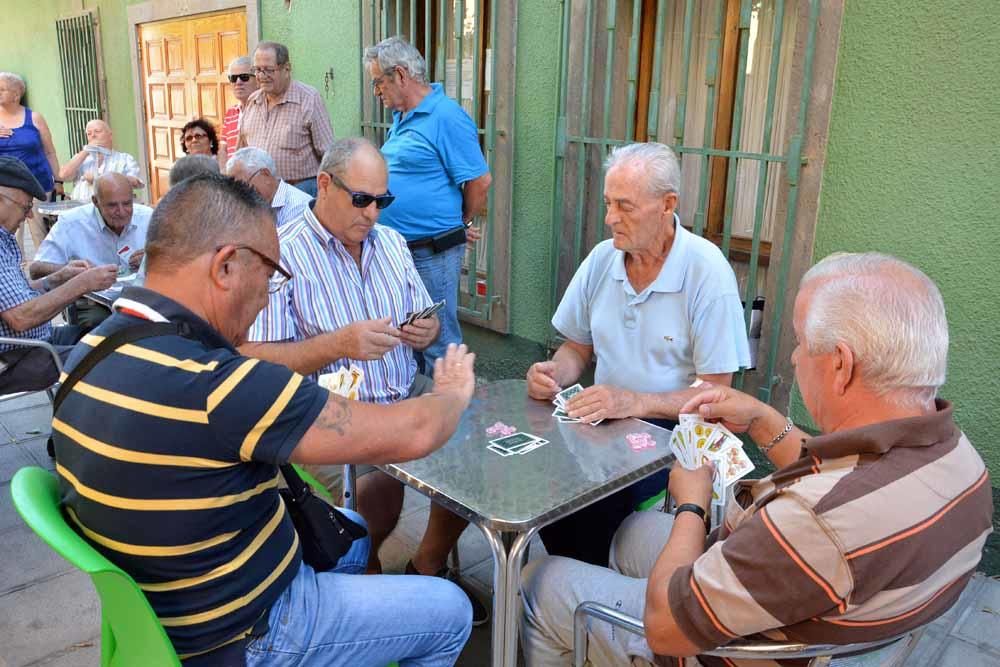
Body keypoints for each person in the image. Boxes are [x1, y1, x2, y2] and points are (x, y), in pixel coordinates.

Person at [53, 172, 475, 665]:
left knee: (354, 533)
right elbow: (417, 430)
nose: (266, 297)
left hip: (165, 607)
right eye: (270, 276)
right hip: (247, 630)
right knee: (450, 610)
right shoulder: (218, 385)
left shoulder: (87, 352)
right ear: (226, 266)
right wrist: (452, 392)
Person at [521, 252, 994, 666]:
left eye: (800, 344)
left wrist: (692, 504)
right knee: (628, 535)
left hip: (727, 650)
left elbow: (666, 628)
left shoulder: (814, 523)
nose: (792, 358)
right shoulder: (959, 457)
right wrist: (764, 419)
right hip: (825, 606)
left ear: (841, 365)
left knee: (542, 578)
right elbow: (850, 475)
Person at [241, 137, 489, 625]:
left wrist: (427, 330)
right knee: (379, 490)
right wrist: (336, 344)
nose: (373, 213)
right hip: (327, 411)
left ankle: (428, 565)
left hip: (401, 389)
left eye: (383, 200)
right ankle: (363, 582)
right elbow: (255, 361)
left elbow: (428, 322)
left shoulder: (392, 244)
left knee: (474, 447)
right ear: (326, 185)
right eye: (362, 199)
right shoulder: (283, 253)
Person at [524, 142, 750, 566]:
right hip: (603, 421)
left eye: (624, 206)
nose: (610, 218)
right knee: (541, 476)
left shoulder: (706, 269)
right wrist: (555, 372)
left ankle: (582, 596)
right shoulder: (601, 259)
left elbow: (717, 393)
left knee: (593, 506)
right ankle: (568, 590)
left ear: (668, 205)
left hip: (674, 436)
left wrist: (636, 402)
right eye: (608, 204)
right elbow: (577, 347)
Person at [364, 36, 492, 373]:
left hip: (431, 251)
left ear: (401, 76)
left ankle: (451, 420)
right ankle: (421, 414)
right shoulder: (403, 116)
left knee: (439, 340)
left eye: (378, 82)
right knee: (413, 335)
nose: (376, 92)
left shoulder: (446, 116)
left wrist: (460, 222)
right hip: (403, 250)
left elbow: (480, 181)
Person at [0, 157, 116, 393]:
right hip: (14, 357)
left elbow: (15, 297)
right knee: (113, 358)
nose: (29, 216)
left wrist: (57, 278)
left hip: (37, 342)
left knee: (111, 334)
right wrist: (81, 284)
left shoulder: (5, 240)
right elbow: (21, 318)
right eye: (25, 207)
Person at [238, 41, 335, 197]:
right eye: (257, 70)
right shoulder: (252, 101)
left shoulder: (308, 99)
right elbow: (242, 151)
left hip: (299, 192)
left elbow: (329, 154)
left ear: (287, 68)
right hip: (258, 197)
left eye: (269, 70)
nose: (262, 76)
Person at [30, 173, 152, 278]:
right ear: (95, 202)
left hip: (141, 298)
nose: (121, 212)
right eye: (112, 205)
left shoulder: (148, 218)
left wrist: (153, 260)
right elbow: (36, 269)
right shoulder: (71, 222)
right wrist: (74, 272)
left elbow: (171, 258)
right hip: (89, 301)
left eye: (127, 203)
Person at [0, 72, 59, 252]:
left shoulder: (34, 118)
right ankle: (11, 271)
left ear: (16, 94)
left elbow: (49, 151)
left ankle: (45, 269)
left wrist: (59, 179)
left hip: (38, 183)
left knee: (40, 233)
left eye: (1, 89)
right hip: (5, 189)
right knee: (7, 233)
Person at [226, 146, 312, 227]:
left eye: (243, 185)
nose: (241, 193)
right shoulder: (254, 206)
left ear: (265, 174)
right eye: (235, 188)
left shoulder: (297, 207)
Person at [58, 119, 142, 201]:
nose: (93, 135)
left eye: (97, 131)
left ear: (110, 135)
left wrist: (98, 179)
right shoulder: (81, 158)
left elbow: (134, 182)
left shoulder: (124, 158)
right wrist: (86, 151)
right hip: (81, 210)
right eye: (89, 134)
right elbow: (63, 175)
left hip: (112, 209)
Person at [221, 55, 258, 150]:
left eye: (244, 77)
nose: (238, 82)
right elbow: (223, 149)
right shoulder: (230, 113)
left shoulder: (265, 110)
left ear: (258, 80)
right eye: (233, 78)